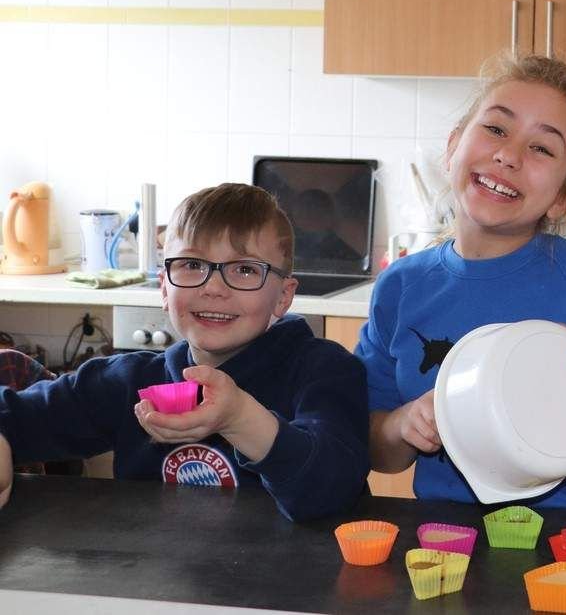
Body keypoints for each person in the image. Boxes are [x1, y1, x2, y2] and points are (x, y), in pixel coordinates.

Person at [356, 55, 566, 511]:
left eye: (542, 149)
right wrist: (404, 425)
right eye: (496, 130)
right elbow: (373, 450)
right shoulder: (401, 288)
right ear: (452, 148)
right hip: (448, 546)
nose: (508, 156)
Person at [0, 183, 370, 521]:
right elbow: (19, 418)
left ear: (284, 296)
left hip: (289, 592)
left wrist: (239, 417)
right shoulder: (128, 383)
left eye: (244, 269)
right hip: (157, 589)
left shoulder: (326, 372)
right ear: (163, 287)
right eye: (193, 265)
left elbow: (331, 494)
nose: (213, 288)